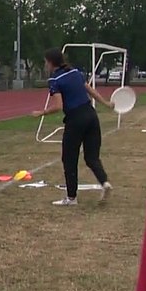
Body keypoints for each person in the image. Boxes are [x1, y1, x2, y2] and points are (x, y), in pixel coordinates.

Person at [32, 48, 117, 205]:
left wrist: (41, 113)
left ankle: (71, 198)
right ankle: (104, 182)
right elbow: (91, 91)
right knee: (92, 157)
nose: (45, 64)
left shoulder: (54, 80)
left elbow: (58, 106)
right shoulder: (76, 72)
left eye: (45, 61)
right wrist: (106, 103)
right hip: (91, 115)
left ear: (51, 62)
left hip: (76, 119)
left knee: (69, 159)